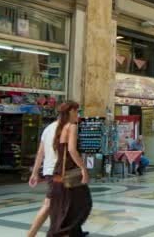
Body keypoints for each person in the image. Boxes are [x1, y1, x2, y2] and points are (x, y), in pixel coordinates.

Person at [48, 101, 92, 237]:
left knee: (65, 204)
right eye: (77, 111)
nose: (78, 115)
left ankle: (74, 232)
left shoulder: (60, 127)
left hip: (59, 170)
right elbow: (72, 150)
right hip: (69, 170)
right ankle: (65, 232)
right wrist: (83, 168)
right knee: (83, 202)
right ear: (71, 112)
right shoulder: (72, 126)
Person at [27, 119, 58, 237]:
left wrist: (35, 172)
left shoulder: (48, 129)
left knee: (66, 204)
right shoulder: (67, 128)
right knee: (48, 205)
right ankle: (31, 234)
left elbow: (40, 153)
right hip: (58, 172)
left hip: (50, 171)